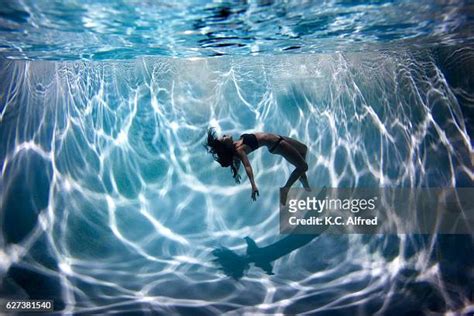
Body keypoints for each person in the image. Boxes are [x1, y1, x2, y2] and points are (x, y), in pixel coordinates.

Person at [204, 128, 311, 204]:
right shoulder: (239, 150)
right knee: (303, 167)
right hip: (277, 145)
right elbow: (247, 166)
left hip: (278, 138)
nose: (225, 135)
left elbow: (236, 161)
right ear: (225, 145)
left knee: (303, 150)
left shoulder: (236, 145)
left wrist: (236, 172)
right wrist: (253, 185)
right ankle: (286, 189)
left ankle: (302, 178)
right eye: (223, 137)